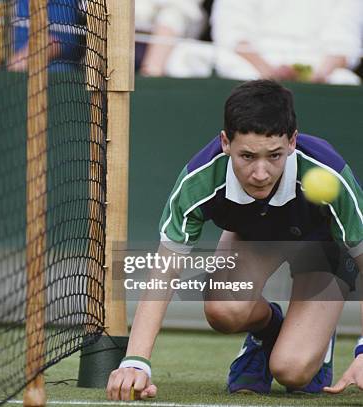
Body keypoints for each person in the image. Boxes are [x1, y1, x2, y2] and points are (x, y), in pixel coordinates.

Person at [106, 80, 363, 400]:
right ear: (225, 142)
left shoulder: (330, 174)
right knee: (224, 310)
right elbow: (165, 271)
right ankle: (267, 333)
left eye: (274, 156)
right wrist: (136, 363)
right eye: (247, 156)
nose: (260, 173)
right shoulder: (199, 181)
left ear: (293, 141)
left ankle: (314, 339)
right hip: (255, 237)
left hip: (323, 248)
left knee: (292, 371)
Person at [211, 0, 362, 85]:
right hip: (252, 63)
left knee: (345, 81)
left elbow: (344, 40)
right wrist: (269, 72)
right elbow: (232, 32)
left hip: (318, 66)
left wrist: (318, 75)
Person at [135, 0, 210, 78]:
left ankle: (150, 76)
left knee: (171, 16)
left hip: (178, 38)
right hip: (135, 36)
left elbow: (184, 8)